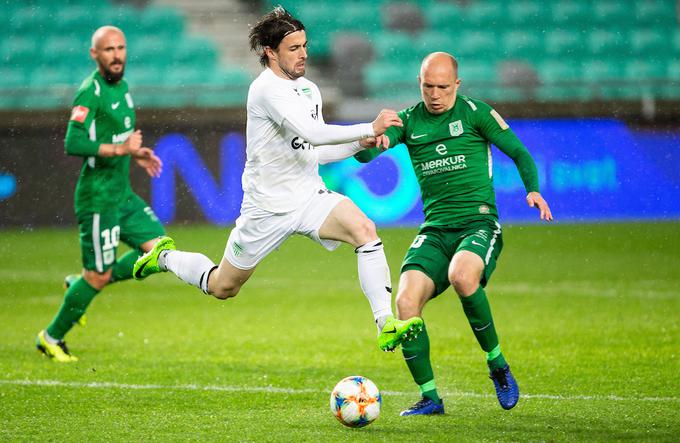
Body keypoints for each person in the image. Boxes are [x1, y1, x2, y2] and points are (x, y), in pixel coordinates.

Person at [132, 7, 423, 351]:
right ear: (271, 53)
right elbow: (313, 133)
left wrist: (359, 143)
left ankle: (384, 323)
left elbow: (311, 150)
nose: (303, 55)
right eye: (293, 49)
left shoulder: (309, 90)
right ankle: (164, 257)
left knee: (365, 231)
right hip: (266, 208)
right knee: (223, 286)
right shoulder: (265, 90)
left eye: (304, 46)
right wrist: (367, 127)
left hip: (309, 196)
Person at [355, 52, 553, 415]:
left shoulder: (476, 113)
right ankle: (430, 398)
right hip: (435, 229)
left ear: (456, 85)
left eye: (443, 87)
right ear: (420, 84)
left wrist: (533, 188)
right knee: (405, 303)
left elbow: (520, 153)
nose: (435, 94)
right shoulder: (409, 120)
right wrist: (370, 140)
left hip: (478, 224)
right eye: (428, 86)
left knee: (462, 275)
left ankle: (497, 364)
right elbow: (366, 157)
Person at [35, 26, 164, 362]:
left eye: (121, 47)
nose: (116, 54)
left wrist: (136, 154)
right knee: (100, 274)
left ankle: (80, 284)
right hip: (98, 199)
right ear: (95, 54)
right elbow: (72, 142)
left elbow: (118, 136)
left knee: (159, 251)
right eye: (108, 49)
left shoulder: (123, 87)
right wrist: (121, 150)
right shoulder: (89, 93)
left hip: (122, 195)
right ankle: (50, 337)